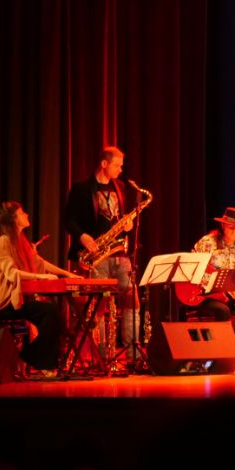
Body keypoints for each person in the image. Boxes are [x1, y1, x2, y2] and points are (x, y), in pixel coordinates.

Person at [64, 146, 139, 359]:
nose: (120, 170)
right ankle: (103, 356)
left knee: (132, 301)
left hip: (118, 253)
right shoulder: (81, 188)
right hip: (95, 256)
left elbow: (120, 217)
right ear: (104, 164)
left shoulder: (120, 187)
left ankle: (133, 354)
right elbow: (68, 219)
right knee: (98, 307)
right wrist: (83, 237)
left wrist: (127, 226)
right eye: (117, 165)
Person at [0, 201, 74, 375]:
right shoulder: (4, 241)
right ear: (14, 219)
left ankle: (39, 359)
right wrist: (41, 277)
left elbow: (41, 263)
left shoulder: (22, 242)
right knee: (50, 312)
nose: (26, 215)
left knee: (53, 314)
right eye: (22, 213)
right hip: (6, 303)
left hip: (20, 301)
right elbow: (12, 273)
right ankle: (36, 359)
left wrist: (67, 274)